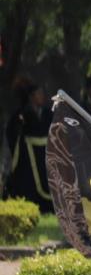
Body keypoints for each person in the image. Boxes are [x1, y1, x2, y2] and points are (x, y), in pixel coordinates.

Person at [4, 77, 53, 211]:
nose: (42, 96)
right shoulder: (22, 114)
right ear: (31, 97)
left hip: (45, 155)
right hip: (28, 156)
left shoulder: (48, 114)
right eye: (38, 94)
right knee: (28, 184)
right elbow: (12, 132)